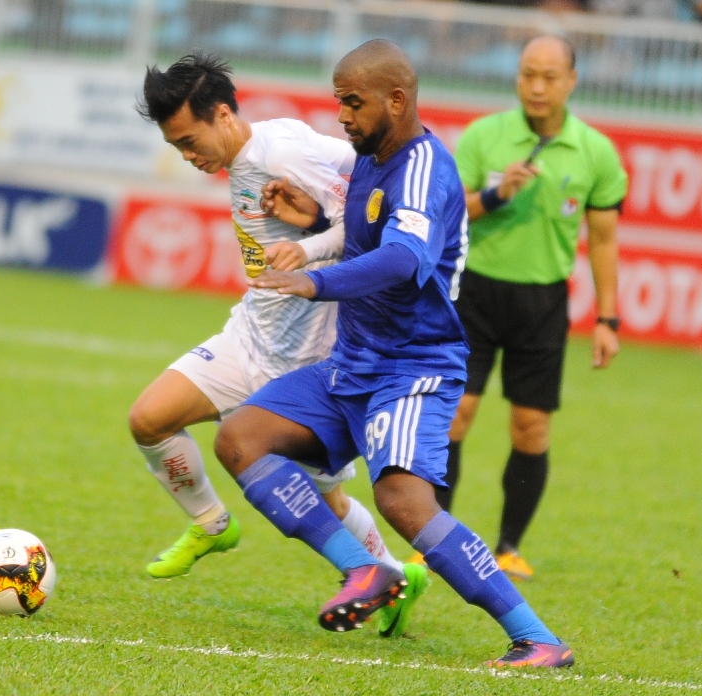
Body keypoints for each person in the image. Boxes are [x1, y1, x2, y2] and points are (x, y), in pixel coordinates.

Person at [214, 39, 574, 668]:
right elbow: (367, 235)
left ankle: (537, 637)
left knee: (403, 503)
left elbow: (405, 258)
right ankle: (366, 572)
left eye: (352, 104)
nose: (343, 117)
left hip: (413, 367)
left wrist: (315, 280)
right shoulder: (374, 159)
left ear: (396, 99)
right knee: (241, 438)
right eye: (339, 104)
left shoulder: (424, 166)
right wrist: (312, 232)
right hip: (353, 361)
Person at [129, 53, 428, 635]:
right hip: (249, 336)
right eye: (177, 149)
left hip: (308, 360)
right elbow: (350, 161)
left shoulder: (279, 154)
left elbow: (368, 223)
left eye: (191, 141)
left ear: (222, 113)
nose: (190, 157)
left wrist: (312, 244)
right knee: (149, 420)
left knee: (325, 502)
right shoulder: (267, 142)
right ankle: (211, 524)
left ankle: (392, 576)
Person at [435, 35, 628, 582]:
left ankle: (509, 547)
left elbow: (605, 240)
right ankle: (435, 539)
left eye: (549, 76)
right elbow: (448, 213)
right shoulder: (485, 136)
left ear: (572, 81)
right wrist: (495, 196)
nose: (537, 86)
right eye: (527, 74)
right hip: (473, 293)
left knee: (531, 429)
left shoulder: (595, 153)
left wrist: (608, 320)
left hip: (542, 302)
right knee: (455, 417)